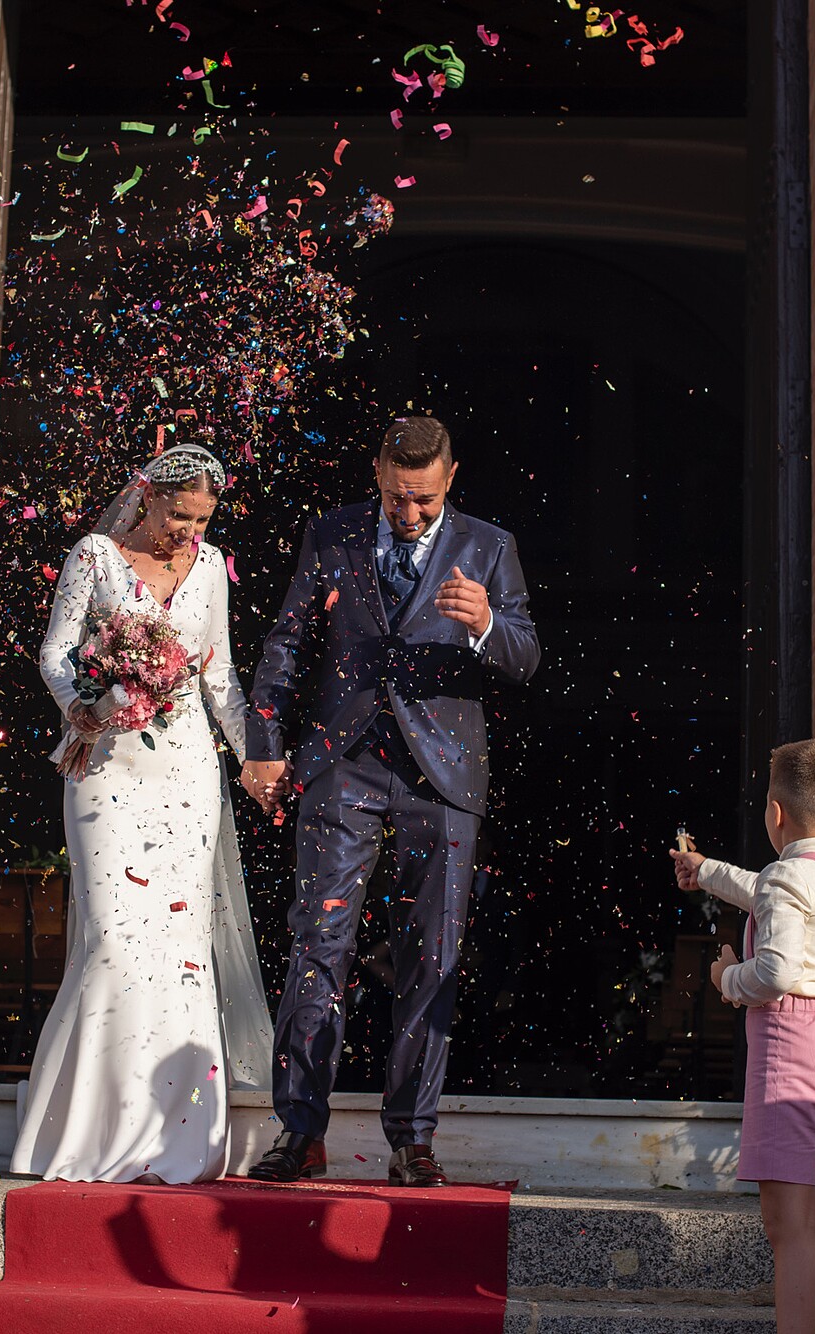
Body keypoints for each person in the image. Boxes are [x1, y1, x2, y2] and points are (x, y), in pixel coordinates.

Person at [240, 415, 540, 1186]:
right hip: (344, 764)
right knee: (318, 945)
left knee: (431, 955)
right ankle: (299, 1130)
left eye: (425, 502)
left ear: (450, 478)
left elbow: (526, 657)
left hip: (442, 776)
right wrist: (264, 743)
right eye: (396, 498)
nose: (408, 514)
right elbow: (286, 641)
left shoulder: (489, 545)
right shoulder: (331, 533)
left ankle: (411, 1138)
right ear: (377, 472)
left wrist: (484, 628)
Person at [11, 445, 271, 1184]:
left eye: (200, 521)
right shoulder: (95, 556)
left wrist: (254, 757)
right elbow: (56, 652)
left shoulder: (212, 566)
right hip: (104, 763)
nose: (187, 533)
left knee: (179, 944)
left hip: (186, 770)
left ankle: (177, 1139)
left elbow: (219, 675)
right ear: (145, 496)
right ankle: (93, 1135)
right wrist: (86, 707)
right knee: (116, 940)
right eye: (177, 516)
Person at [670, 739, 815, 1334]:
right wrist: (706, 872)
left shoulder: (788, 876)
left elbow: (777, 971)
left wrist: (727, 977)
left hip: (796, 1056)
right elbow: (771, 887)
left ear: (776, 813)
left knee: (790, 1231)